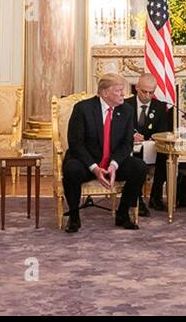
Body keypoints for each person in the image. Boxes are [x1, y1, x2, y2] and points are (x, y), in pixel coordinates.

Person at [62, 73, 148, 233]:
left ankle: (122, 213)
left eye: (123, 90)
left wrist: (114, 165)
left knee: (140, 168)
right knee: (71, 169)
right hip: (86, 161)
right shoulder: (83, 109)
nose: (124, 94)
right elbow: (76, 143)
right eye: (118, 91)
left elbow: (126, 143)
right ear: (104, 92)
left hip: (112, 162)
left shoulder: (127, 111)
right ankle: (74, 216)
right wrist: (94, 168)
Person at [126, 72, 172, 213]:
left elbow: (164, 131)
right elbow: (119, 128)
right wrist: (132, 135)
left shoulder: (160, 107)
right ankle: (137, 198)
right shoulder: (126, 105)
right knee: (136, 159)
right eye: (144, 91)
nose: (147, 95)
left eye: (151, 92)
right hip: (131, 146)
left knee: (165, 156)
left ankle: (155, 197)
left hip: (151, 146)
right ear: (137, 88)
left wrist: (152, 139)